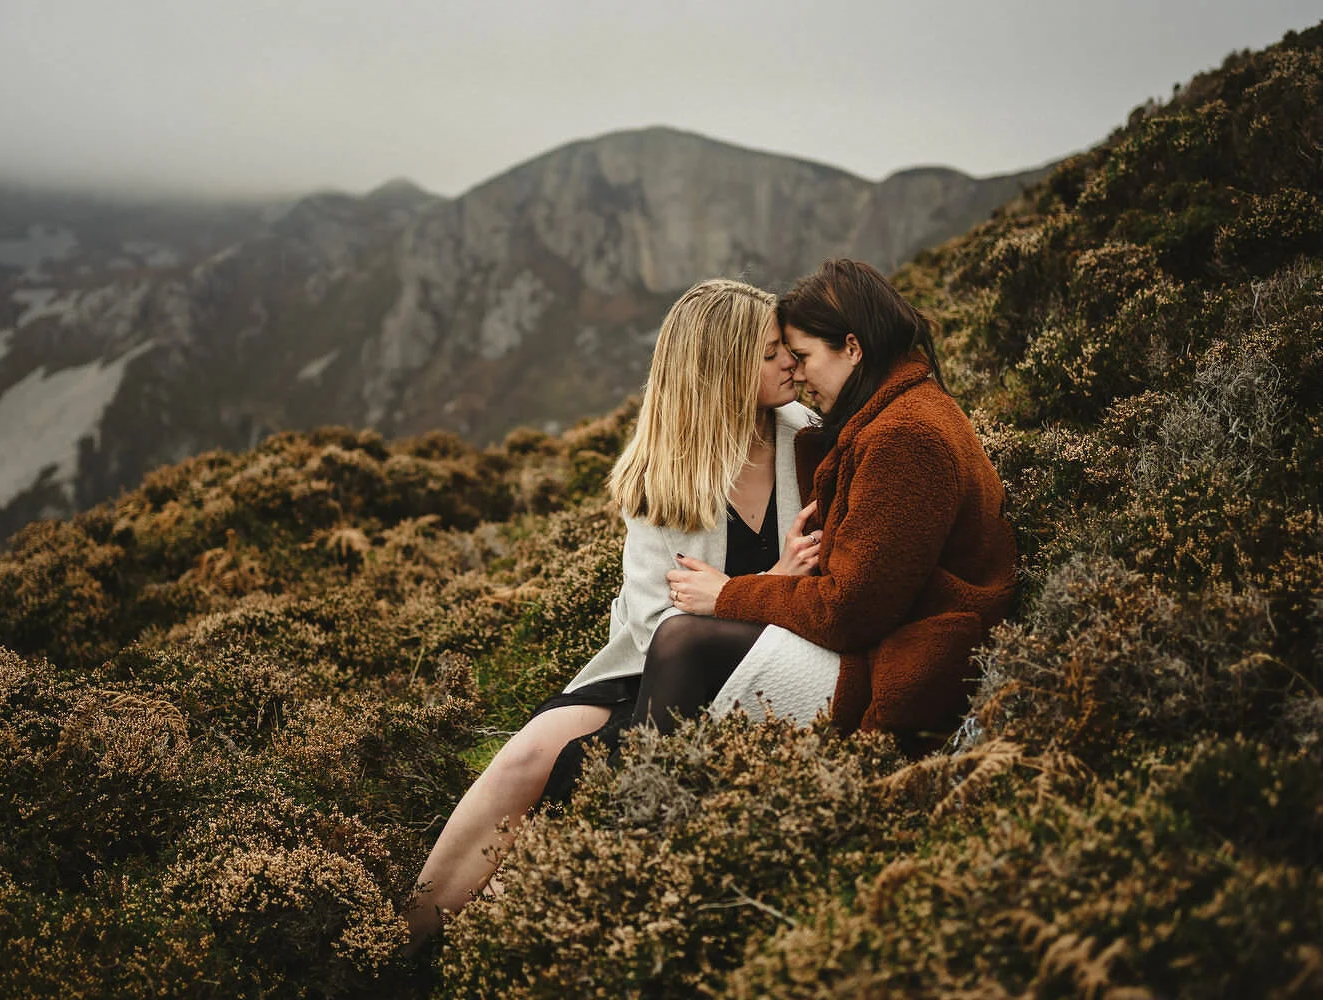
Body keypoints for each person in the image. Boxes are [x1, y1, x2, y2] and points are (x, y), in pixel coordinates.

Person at [403, 278, 818, 950]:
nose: (791, 363)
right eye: (770, 354)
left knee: (579, 765)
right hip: (650, 661)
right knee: (525, 753)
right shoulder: (665, 471)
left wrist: (732, 595)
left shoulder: (811, 439)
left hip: (747, 664)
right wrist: (770, 582)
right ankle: (402, 942)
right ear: (723, 371)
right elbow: (657, 628)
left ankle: (519, 911)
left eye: (786, 349)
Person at [652, 259, 1018, 754]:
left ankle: (649, 789)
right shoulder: (896, 413)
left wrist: (728, 595)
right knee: (685, 647)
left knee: (685, 642)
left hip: (910, 667)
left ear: (852, 348)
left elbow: (849, 613)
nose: (798, 374)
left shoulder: (904, 437)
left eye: (803, 356)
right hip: (895, 647)